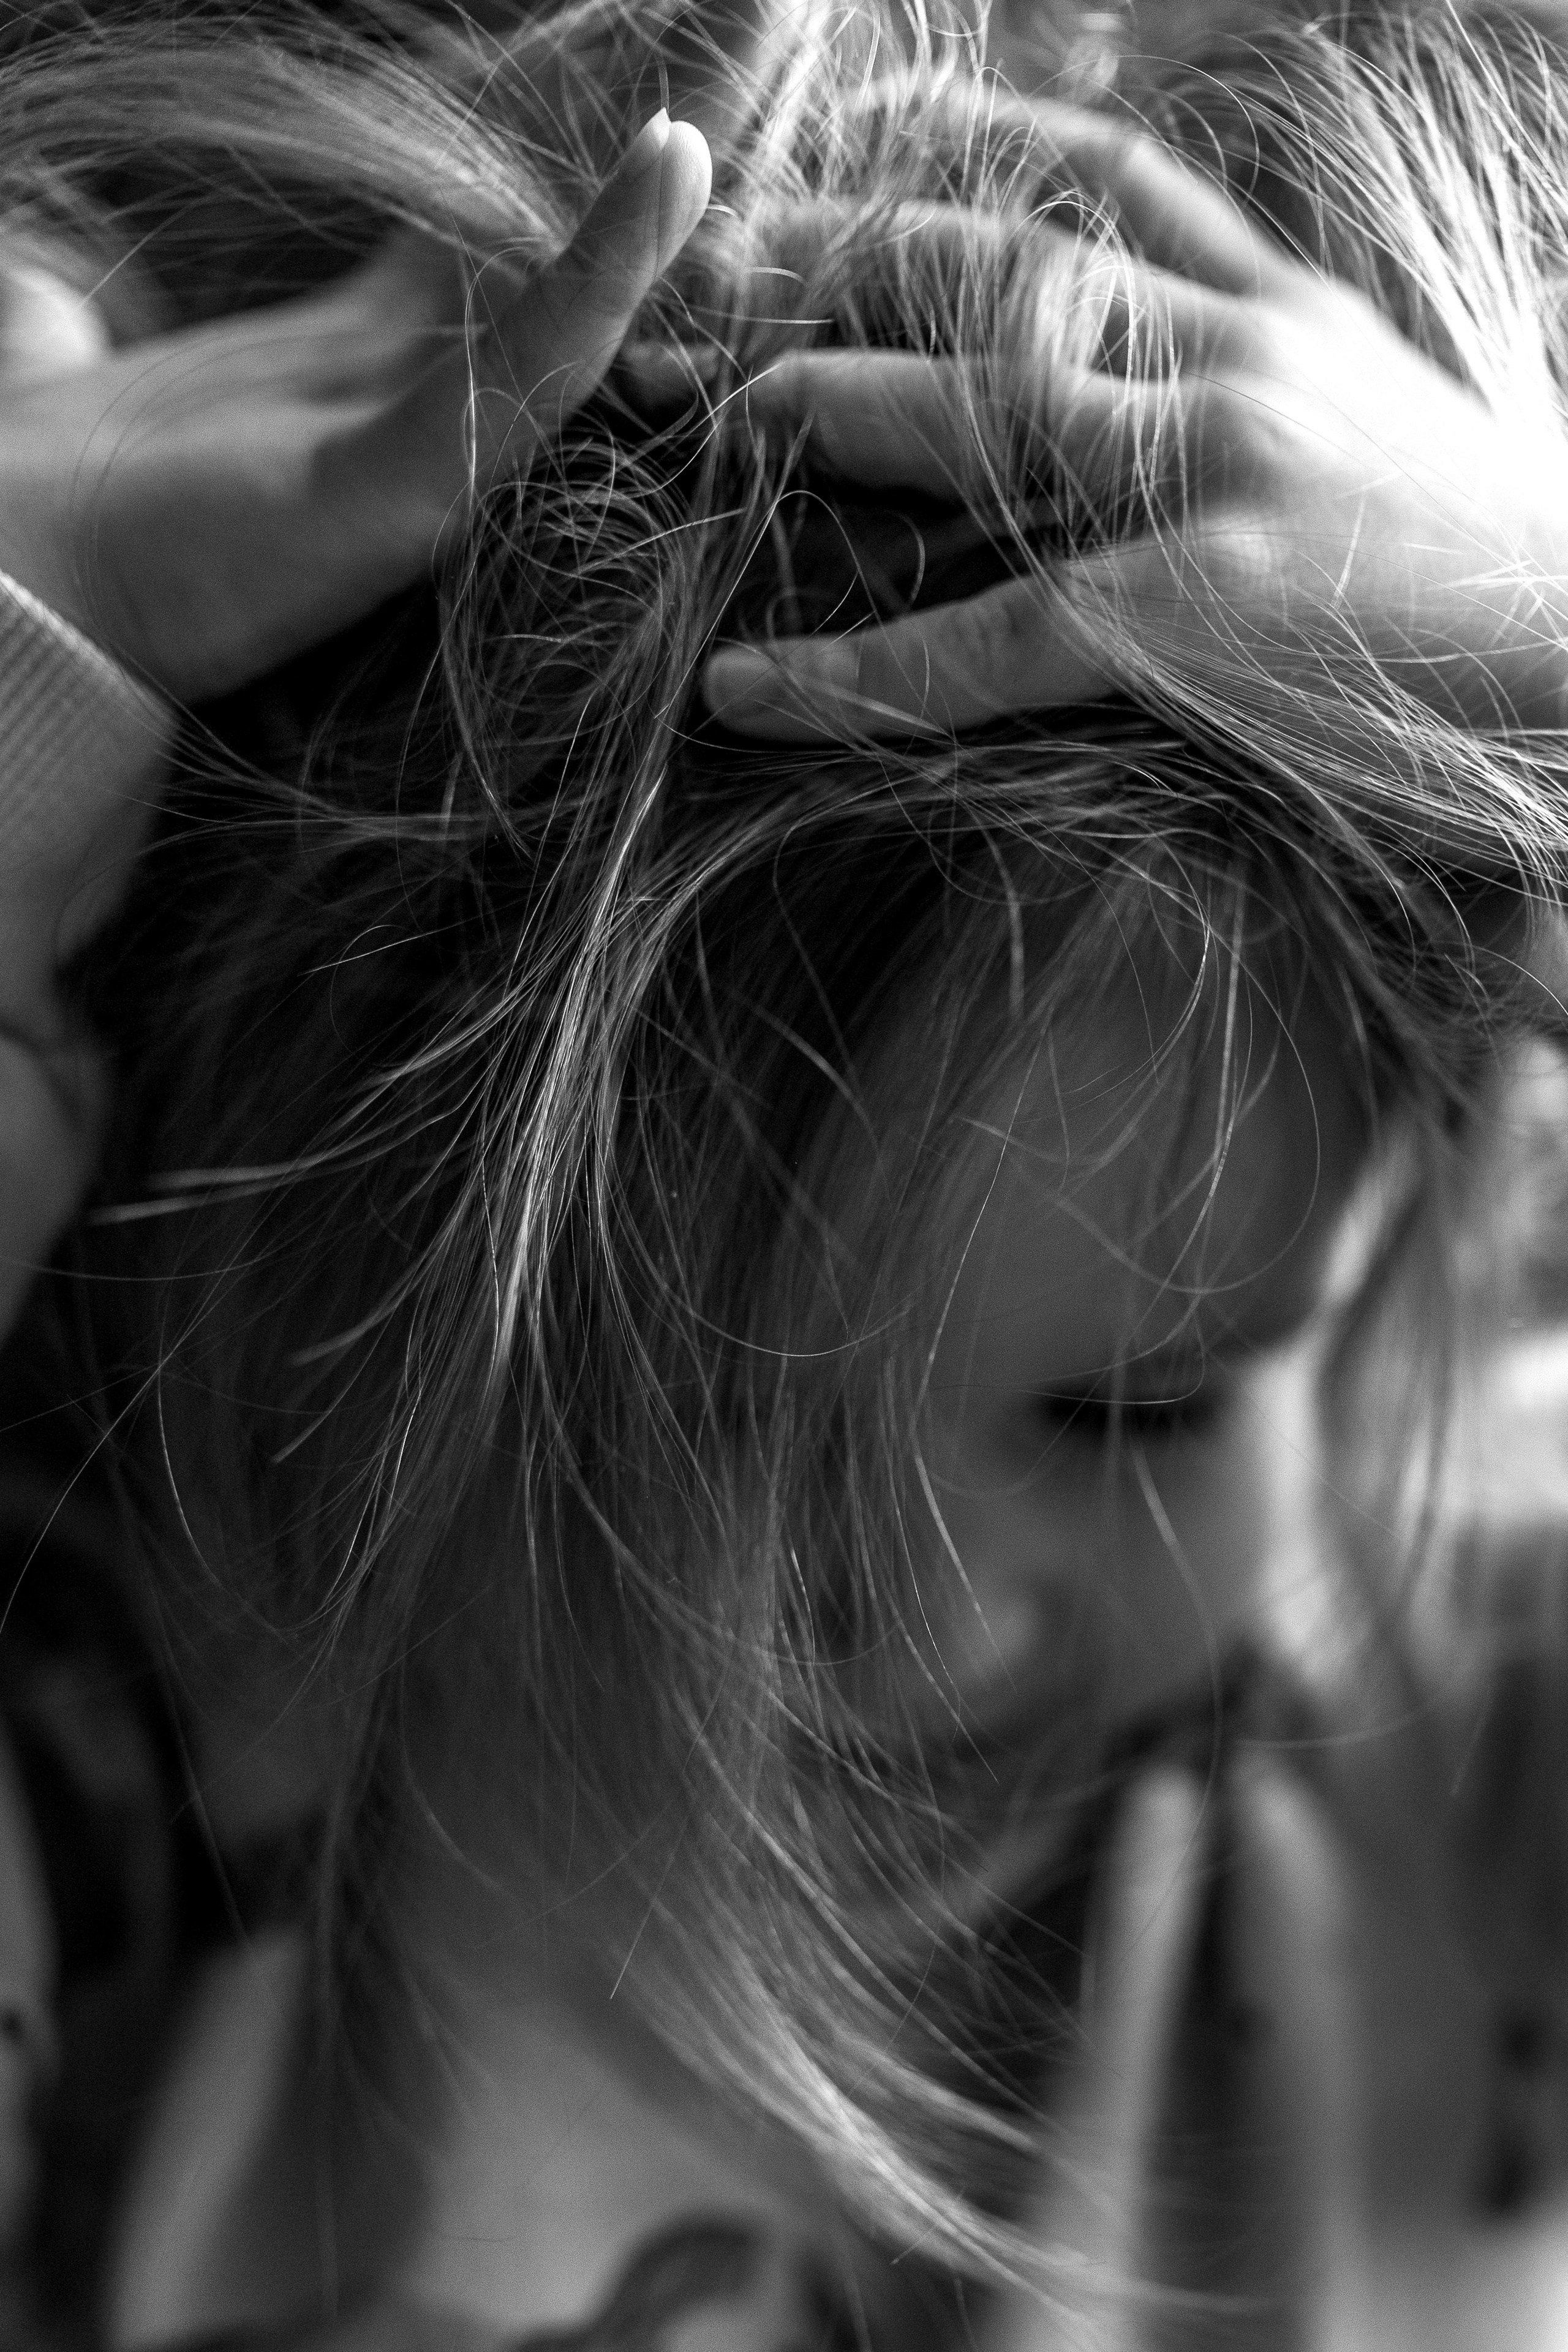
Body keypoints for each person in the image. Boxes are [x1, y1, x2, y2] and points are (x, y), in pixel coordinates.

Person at [1, 0, 1567, 2341]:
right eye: (680, 1421)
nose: (923, 1632)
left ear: (1467, 1171)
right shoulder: (141, 1761)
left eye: (1133, 1412)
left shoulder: (1445, 1780)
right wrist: (44, 612)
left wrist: (1542, 654)